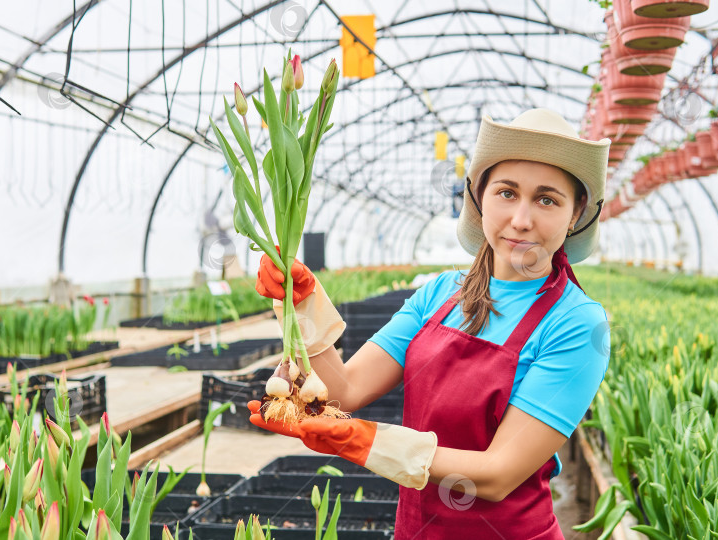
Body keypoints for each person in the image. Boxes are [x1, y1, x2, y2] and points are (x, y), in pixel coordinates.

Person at [248, 108, 612, 539]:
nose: (521, 219)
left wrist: (365, 441)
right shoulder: (440, 293)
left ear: (576, 214)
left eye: (547, 199)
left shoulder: (576, 324)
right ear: (478, 197)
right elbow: (346, 389)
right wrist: (301, 303)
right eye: (507, 193)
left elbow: (496, 475)